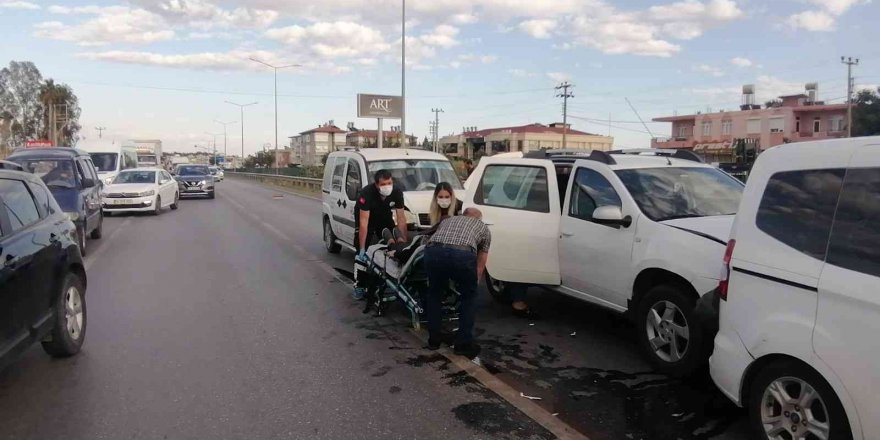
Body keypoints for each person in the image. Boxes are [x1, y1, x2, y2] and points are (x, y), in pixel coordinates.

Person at [423, 207, 491, 359]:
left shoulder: (448, 220)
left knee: (434, 294)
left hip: (433, 251)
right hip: (463, 254)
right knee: (469, 298)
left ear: (463, 215)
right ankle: (463, 344)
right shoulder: (483, 228)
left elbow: (431, 238)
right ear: (479, 219)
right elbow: (481, 261)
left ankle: (433, 340)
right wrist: (474, 282)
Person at [352, 169, 408, 299]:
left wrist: (403, 243)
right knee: (363, 250)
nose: (387, 186)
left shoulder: (397, 192)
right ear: (377, 185)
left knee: (391, 243)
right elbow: (363, 223)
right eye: (383, 184)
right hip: (366, 218)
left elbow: (401, 218)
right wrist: (361, 248)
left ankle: (385, 277)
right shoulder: (366, 194)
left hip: (384, 216)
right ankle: (359, 285)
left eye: (389, 183)